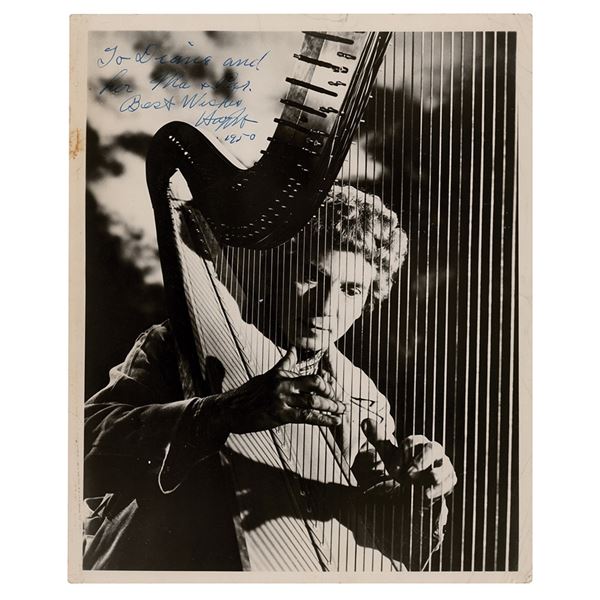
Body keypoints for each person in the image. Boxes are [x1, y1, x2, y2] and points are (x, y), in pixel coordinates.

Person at [83, 184, 457, 571]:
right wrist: (219, 413)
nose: (326, 306)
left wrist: (422, 495)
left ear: (367, 302)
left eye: (350, 290)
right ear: (282, 266)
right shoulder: (186, 341)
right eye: (313, 276)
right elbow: (81, 445)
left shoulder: (365, 399)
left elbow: (390, 543)